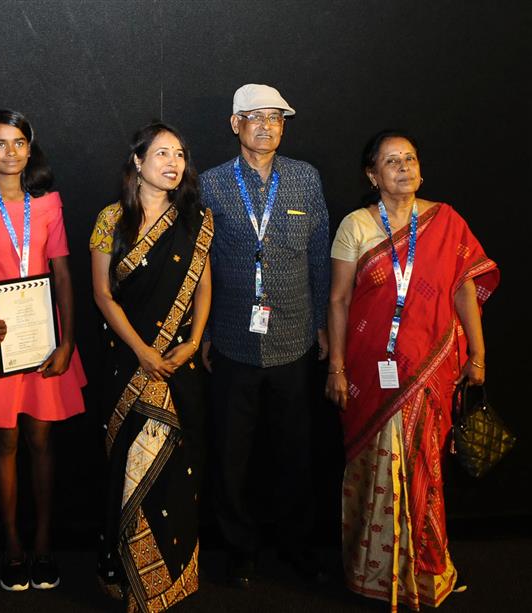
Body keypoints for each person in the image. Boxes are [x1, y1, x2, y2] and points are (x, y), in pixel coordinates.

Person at [326, 130, 498, 610]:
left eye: (410, 158)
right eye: (391, 161)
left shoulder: (447, 221)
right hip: (369, 371)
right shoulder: (355, 225)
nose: (403, 167)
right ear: (372, 174)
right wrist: (336, 368)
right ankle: (372, 575)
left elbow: (465, 290)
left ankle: (426, 572)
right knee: (377, 465)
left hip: (432, 366)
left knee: (425, 470)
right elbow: (339, 300)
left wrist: (477, 356)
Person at [198, 83, 331, 587]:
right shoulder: (210, 183)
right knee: (232, 456)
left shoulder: (304, 179)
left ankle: (296, 545)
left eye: (276, 117)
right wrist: (205, 330)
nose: (267, 125)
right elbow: (200, 265)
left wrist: (320, 323)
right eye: (255, 117)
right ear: (235, 124)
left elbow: (319, 255)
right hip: (231, 340)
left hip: (295, 340)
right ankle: (240, 549)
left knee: (296, 451)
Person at [0, 109, 87, 591]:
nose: (9, 152)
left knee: (42, 441)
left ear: (30, 149)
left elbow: (64, 274)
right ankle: (12, 545)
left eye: (18, 143)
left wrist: (69, 338)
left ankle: (44, 544)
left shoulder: (48, 203)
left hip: (44, 335)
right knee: (5, 442)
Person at [90, 123, 214, 611]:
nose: (173, 162)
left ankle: (171, 582)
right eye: (161, 153)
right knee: (128, 468)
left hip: (180, 363)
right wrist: (142, 351)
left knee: (178, 473)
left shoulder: (197, 219)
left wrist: (196, 339)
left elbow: (203, 284)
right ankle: (125, 578)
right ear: (137, 162)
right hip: (129, 363)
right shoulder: (110, 219)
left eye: (179, 154)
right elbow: (102, 294)